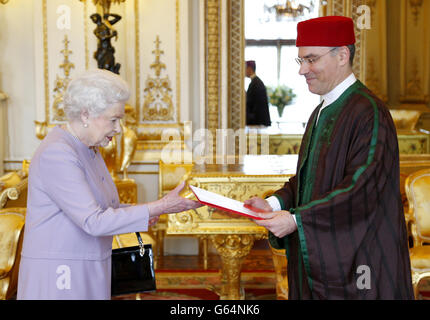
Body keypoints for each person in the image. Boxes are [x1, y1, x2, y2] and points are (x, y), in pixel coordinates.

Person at [245, 16, 414, 299]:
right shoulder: (321, 111)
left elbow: (360, 189)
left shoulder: (369, 111)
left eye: (311, 59)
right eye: (300, 61)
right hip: (322, 256)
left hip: (361, 263)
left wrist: (296, 220)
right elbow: (308, 179)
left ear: (342, 55)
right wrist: (273, 203)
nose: (303, 70)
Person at [17, 69, 201, 300]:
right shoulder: (58, 153)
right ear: (85, 115)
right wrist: (159, 206)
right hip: (61, 272)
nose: (118, 129)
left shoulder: (89, 149)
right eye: (114, 120)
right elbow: (93, 221)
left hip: (87, 264)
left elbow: (104, 209)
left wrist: (158, 207)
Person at [245, 60, 271, 126]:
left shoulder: (256, 83)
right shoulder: (256, 82)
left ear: (249, 69)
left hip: (258, 123)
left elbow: (254, 106)